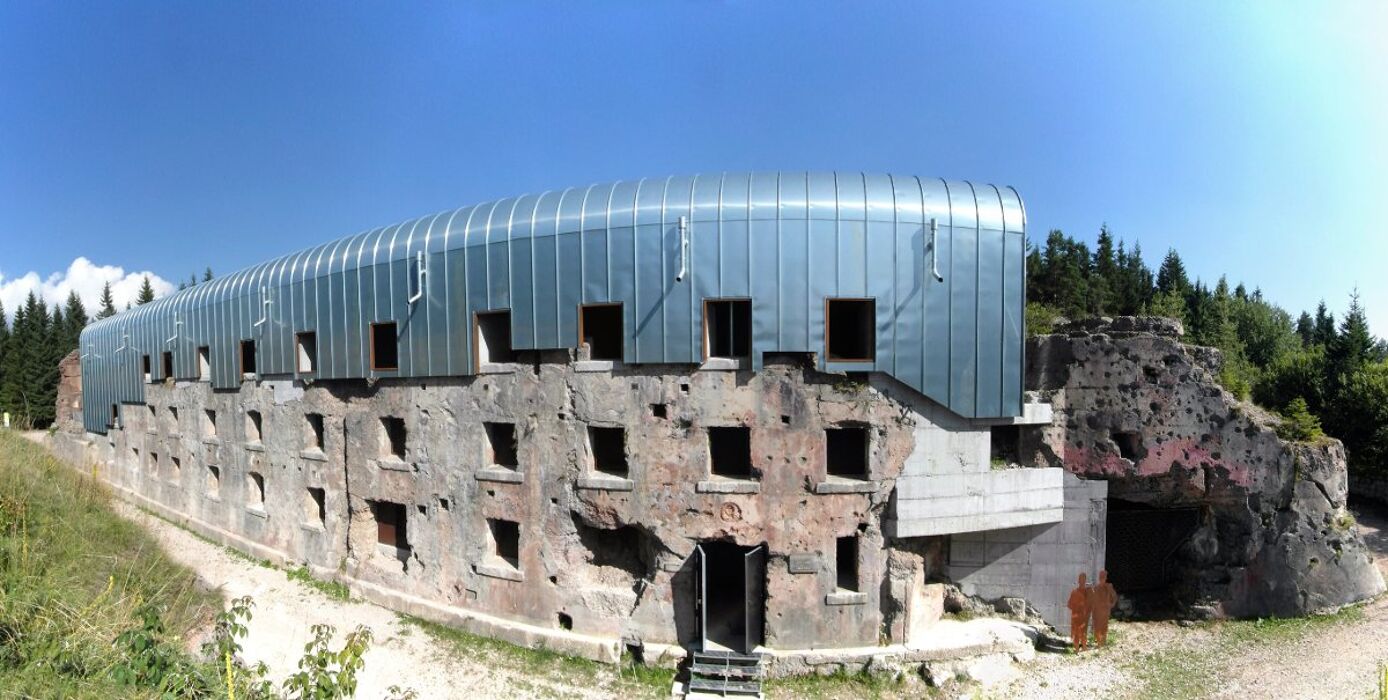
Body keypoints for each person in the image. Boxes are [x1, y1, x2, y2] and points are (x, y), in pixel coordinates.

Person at [1088, 569, 1118, 646]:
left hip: (1105, 610)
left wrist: (1112, 604)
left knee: (1104, 626)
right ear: (1099, 578)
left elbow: (1114, 596)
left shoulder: (1109, 586)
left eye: (1103, 577)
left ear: (1105, 578)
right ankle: (1099, 642)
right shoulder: (1096, 588)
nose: (1102, 578)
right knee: (1097, 626)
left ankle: (1102, 642)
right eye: (1101, 577)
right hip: (1097, 611)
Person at [1066, 572, 1091, 652]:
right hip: (1077, 616)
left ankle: (1082, 648)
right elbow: (1069, 605)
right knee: (1078, 633)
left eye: (1083, 579)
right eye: (1081, 579)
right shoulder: (1075, 592)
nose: (1082, 581)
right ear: (1079, 581)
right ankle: (1078, 649)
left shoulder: (1088, 592)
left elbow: (1090, 604)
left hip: (1082, 616)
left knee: (1082, 632)